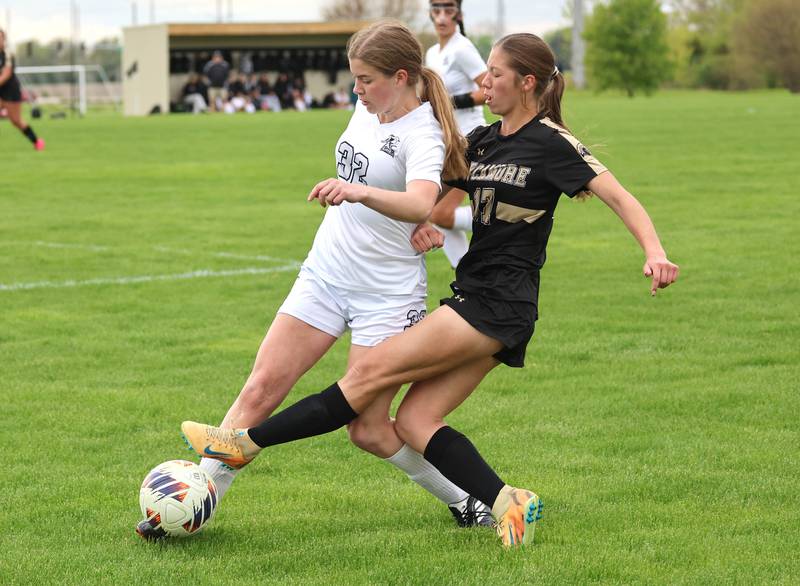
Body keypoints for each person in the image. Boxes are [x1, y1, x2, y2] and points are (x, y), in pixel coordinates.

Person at [182, 32, 680, 547]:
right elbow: (436, 202)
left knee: (368, 375)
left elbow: (619, 197)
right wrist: (428, 226)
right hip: (476, 298)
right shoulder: (484, 141)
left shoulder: (553, 143)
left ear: (527, 83)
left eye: (496, 73)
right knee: (416, 420)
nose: (484, 80)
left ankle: (245, 443)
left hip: (496, 304)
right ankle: (508, 503)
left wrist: (654, 251)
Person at [138, 21, 494, 540]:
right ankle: (192, 503)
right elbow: (409, 192)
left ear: (400, 76)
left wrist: (389, 203)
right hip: (326, 271)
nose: (356, 90)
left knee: (369, 429)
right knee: (260, 390)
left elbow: (424, 194)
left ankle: (467, 500)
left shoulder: (424, 132)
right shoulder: (369, 104)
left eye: (366, 80)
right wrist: (406, 212)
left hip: (387, 294)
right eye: (354, 78)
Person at [425, 0, 488, 268]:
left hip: (469, 140)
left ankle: (499, 220)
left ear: (458, 14)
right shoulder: (431, 53)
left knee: (435, 211)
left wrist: (449, 102)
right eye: (436, 10)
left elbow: (489, 89)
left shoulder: (462, 48)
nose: (441, 17)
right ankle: (465, 272)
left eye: (448, 10)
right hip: (447, 142)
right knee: (432, 212)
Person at [0, 28, 44, 150]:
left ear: (4, 40)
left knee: (16, 121)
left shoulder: (9, 54)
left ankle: (37, 142)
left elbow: (6, 74)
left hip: (10, 91)